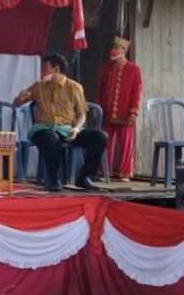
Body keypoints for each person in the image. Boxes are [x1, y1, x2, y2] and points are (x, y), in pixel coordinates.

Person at [13, 53, 107, 191]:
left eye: (46, 68)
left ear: (56, 69)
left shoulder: (74, 87)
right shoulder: (39, 86)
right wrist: (19, 98)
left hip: (67, 129)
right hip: (43, 129)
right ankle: (53, 179)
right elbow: (16, 104)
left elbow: (81, 115)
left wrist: (75, 129)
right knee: (51, 137)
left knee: (101, 137)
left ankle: (84, 176)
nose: (42, 71)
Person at [97, 36, 143, 180]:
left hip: (125, 112)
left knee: (126, 144)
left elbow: (137, 91)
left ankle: (125, 172)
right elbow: (100, 89)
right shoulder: (105, 68)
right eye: (114, 47)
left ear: (124, 50)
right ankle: (105, 171)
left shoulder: (134, 69)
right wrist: (99, 109)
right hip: (107, 112)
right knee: (105, 143)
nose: (114, 50)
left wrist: (133, 111)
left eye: (117, 48)